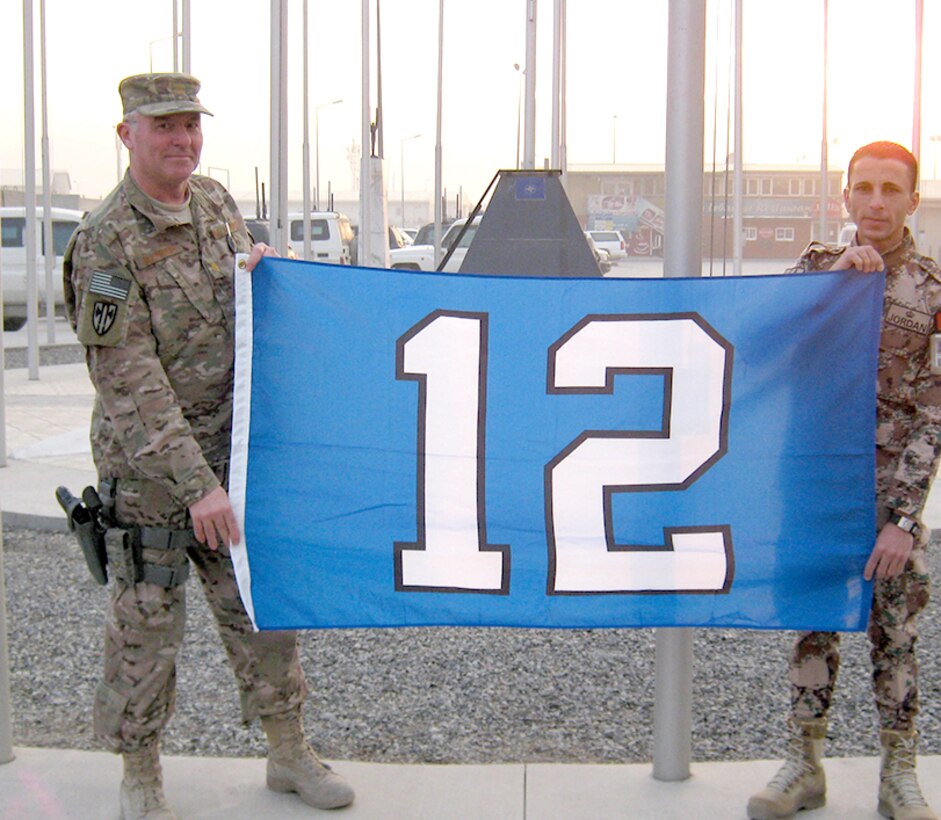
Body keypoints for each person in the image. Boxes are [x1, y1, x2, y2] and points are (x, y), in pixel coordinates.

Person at [63, 73, 354, 818]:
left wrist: (259, 271)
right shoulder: (104, 241)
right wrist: (197, 486)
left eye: (190, 125)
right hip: (154, 478)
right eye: (163, 127)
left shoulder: (217, 203)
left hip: (236, 464)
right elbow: (126, 378)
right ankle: (140, 776)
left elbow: (240, 296)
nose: (181, 140)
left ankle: (288, 751)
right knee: (145, 631)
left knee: (261, 614)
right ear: (127, 135)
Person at [747, 141, 941, 820]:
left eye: (892, 190)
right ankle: (804, 765)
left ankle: (899, 774)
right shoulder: (813, 269)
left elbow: (932, 413)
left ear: (913, 200)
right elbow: (759, 347)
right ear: (845, 198)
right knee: (811, 623)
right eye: (863, 188)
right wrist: (834, 279)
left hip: (889, 494)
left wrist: (902, 518)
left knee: (895, 634)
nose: (876, 203)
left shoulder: (933, 291)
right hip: (814, 486)